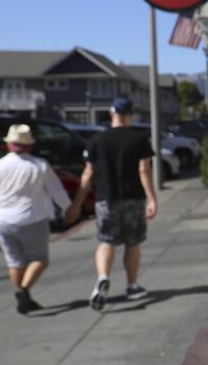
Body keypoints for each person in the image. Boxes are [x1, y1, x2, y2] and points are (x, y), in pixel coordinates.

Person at [66, 96, 158, 310]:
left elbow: (88, 174)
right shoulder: (139, 139)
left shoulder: (96, 141)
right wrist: (152, 198)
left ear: (111, 114)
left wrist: (77, 204)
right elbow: (143, 170)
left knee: (106, 241)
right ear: (130, 115)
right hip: (134, 198)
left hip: (106, 199)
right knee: (132, 243)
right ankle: (132, 285)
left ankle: (103, 276)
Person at [0, 124, 72, 314]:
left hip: (1, 220)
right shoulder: (39, 165)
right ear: (29, 145)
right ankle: (24, 291)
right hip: (32, 218)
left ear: (9, 144)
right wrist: (67, 208)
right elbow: (57, 191)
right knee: (39, 259)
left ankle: (22, 295)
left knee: (15, 261)